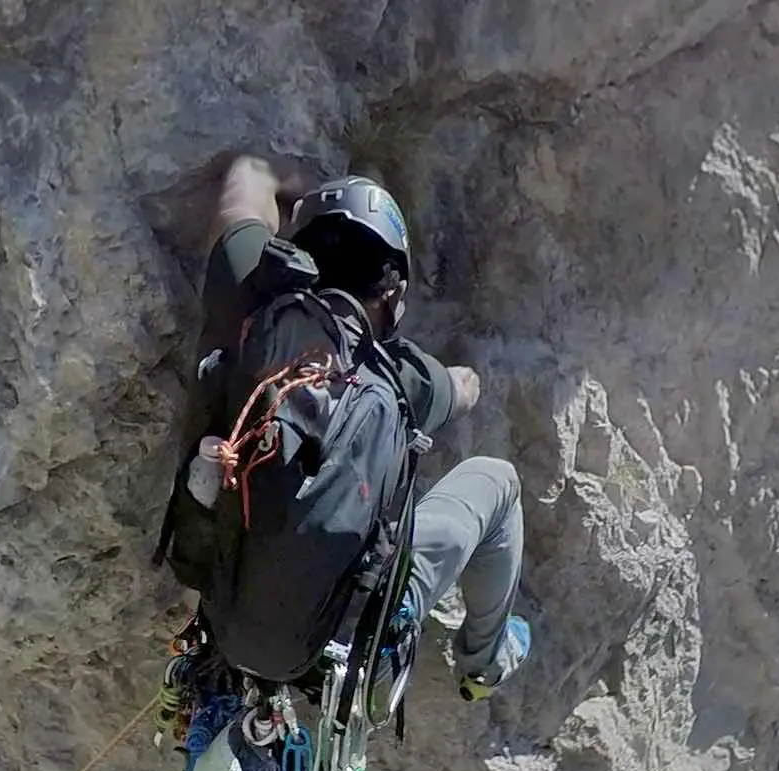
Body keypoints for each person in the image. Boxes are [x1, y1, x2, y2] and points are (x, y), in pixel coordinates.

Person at [190, 154, 533, 701]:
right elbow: (464, 387)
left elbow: (248, 177)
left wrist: (307, 189)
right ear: (391, 295)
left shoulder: (247, 293)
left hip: (224, 604)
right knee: (498, 481)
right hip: (344, 643)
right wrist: (455, 377)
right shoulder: (404, 378)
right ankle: (483, 665)